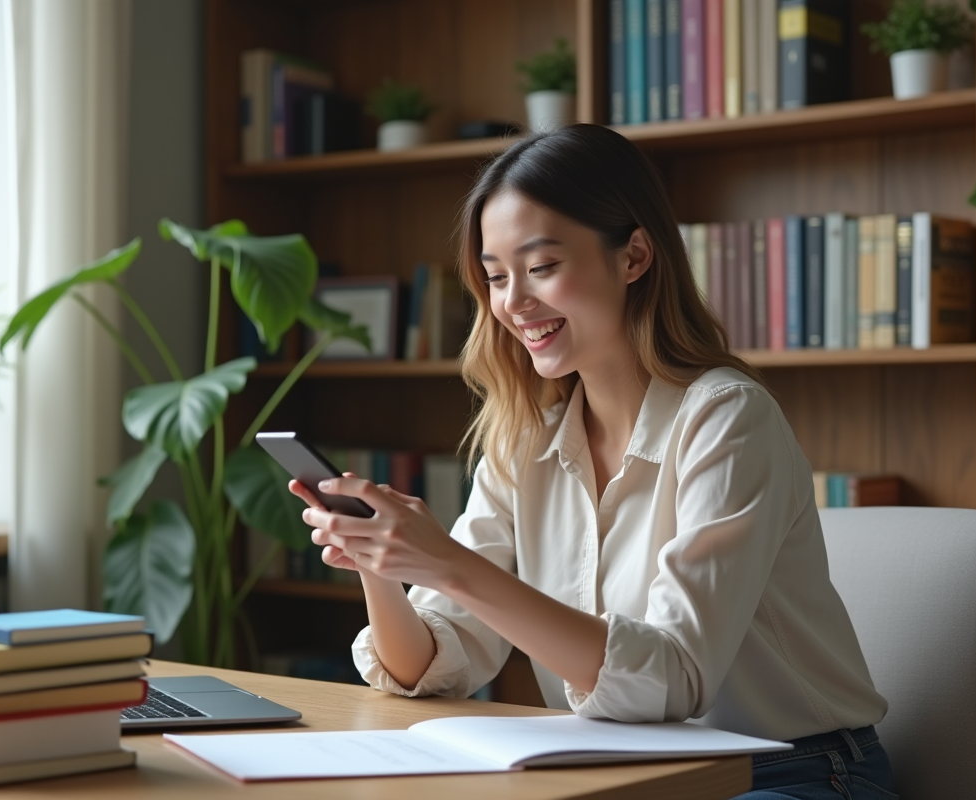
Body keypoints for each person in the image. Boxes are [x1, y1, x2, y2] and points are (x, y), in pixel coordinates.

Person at [289, 124, 897, 799]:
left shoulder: (726, 417)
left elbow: (673, 680)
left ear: (634, 255)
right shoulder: (526, 440)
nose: (513, 303)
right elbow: (436, 664)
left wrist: (451, 565)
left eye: (542, 267)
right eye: (495, 277)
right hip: (630, 772)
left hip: (796, 772)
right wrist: (384, 566)